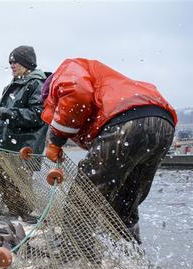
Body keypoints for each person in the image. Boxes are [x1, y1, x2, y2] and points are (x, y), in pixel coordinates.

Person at [41, 58, 177, 241]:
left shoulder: (63, 74)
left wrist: (56, 140)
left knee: (84, 195)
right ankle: (132, 258)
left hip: (126, 120)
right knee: (125, 203)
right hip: (162, 124)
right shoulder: (103, 81)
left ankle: (75, 260)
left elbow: (78, 94)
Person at [0, 46, 47, 220]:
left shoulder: (37, 84)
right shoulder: (11, 87)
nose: (12, 65)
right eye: (10, 62)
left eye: (16, 61)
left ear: (27, 63)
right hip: (6, 147)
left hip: (23, 149)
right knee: (4, 182)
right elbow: (0, 118)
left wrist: (7, 112)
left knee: (19, 188)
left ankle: (25, 222)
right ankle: (14, 220)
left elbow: (39, 115)